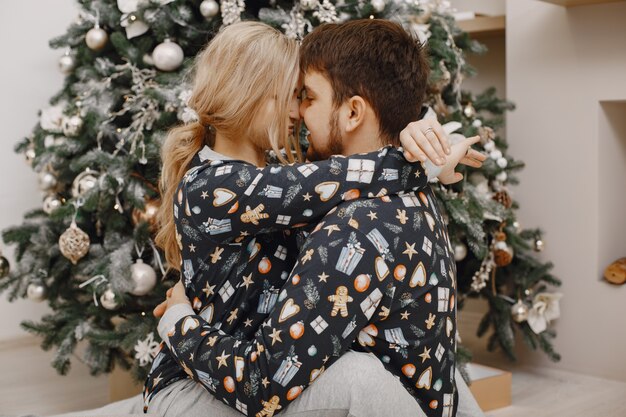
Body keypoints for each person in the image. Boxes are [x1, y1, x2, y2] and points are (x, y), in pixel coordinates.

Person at [41, 20, 485, 417]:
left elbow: (336, 174)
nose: (297, 112)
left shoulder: (276, 174)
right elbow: (336, 177)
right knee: (358, 377)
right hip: (202, 384)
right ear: (251, 96)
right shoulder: (213, 188)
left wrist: (418, 132)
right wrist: (423, 162)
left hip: (247, 369)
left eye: (305, 97)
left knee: (443, 380)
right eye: (292, 96)